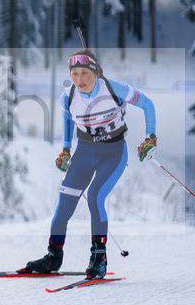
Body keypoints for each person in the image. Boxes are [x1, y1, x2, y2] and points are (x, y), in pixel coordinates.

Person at [22, 49, 157, 279]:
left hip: (113, 153)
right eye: (74, 73)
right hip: (84, 152)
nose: (79, 79)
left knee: (95, 196)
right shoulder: (68, 96)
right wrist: (65, 150)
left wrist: (151, 138)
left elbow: (148, 105)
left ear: (96, 73)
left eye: (84, 73)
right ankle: (53, 257)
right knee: (64, 204)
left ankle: (99, 258)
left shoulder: (115, 88)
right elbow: (66, 120)